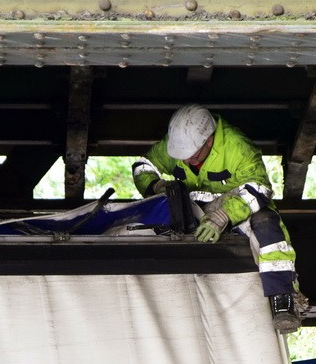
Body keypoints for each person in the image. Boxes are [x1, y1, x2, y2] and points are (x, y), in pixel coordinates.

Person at [131, 104, 306, 333]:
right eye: (181, 158)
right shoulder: (178, 143)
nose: (186, 162)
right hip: (194, 209)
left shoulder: (238, 147)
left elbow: (259, 189)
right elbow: (142, 166)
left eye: (192, 156)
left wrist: (223, 216)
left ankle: (282, 300)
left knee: (267, 225)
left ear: (210, 140)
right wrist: (156, 185)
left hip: (239, 208)